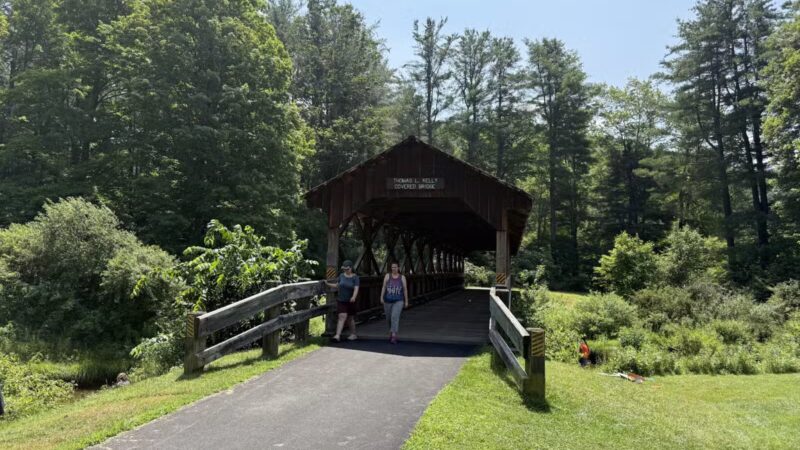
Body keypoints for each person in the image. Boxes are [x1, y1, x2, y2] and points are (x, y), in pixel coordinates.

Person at [326, 260, 359, 342]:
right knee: (342, 316)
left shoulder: (355, 277)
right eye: (344, 269)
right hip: (341, 300)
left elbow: (356, 288)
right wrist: (327, 284)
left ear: (351, 268)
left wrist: (354, 297)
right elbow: (337, 285)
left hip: (351, 301)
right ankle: (337, 336)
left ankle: (353, 334)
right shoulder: (341, 276)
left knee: (350, 318)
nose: (345, 270)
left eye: (347, 269)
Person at [380, 261, 409, 344]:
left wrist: (406, 301)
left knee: (394, 317)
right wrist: (381, 297)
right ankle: (391, 331)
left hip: (398, 301)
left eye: (395, 267)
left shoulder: (402, 277)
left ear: (398, 268)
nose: (393, 269)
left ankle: (394, 335)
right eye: (392, 267)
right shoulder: (387, 276)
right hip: (387, 300)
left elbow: (405, 289)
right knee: (388, 318)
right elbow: (384, 287)